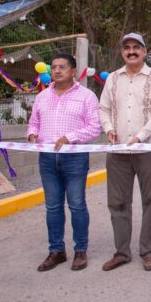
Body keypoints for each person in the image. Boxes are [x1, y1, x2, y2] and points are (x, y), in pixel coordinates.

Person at [99, 32, 151, 272]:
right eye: (127, 48)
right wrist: (108, 129)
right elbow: (104, 108)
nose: (131, 51)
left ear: (145, 51)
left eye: (136, 47)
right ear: (121, 52)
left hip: (147, 149)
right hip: (118, 151)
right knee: (117, 202)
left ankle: (148, 251)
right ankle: (121, 252)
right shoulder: (113, 79)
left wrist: (140, 136)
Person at [27, 53, 101, 271]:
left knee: (77, 205)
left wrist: (70, 137)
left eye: (62, 67)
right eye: (54, 67)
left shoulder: (87, 96)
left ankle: (81, 251)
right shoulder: (42, 97)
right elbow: (34, 123)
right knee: (52, 207)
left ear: (73, 71)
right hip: (47, 159)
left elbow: (95, 127)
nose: (57, 71)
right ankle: (56, 251)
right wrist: (32, 134)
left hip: (74, 158)